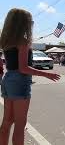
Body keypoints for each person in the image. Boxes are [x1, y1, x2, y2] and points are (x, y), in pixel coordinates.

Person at [0, 8, 60, 145]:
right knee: (20, 124)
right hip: (19, 81)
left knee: (7, 120)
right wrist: (46, 74)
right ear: (23, 23)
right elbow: (23, 68)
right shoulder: (23, 41)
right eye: (29, 22)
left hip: (8, 78)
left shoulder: (6, 40)